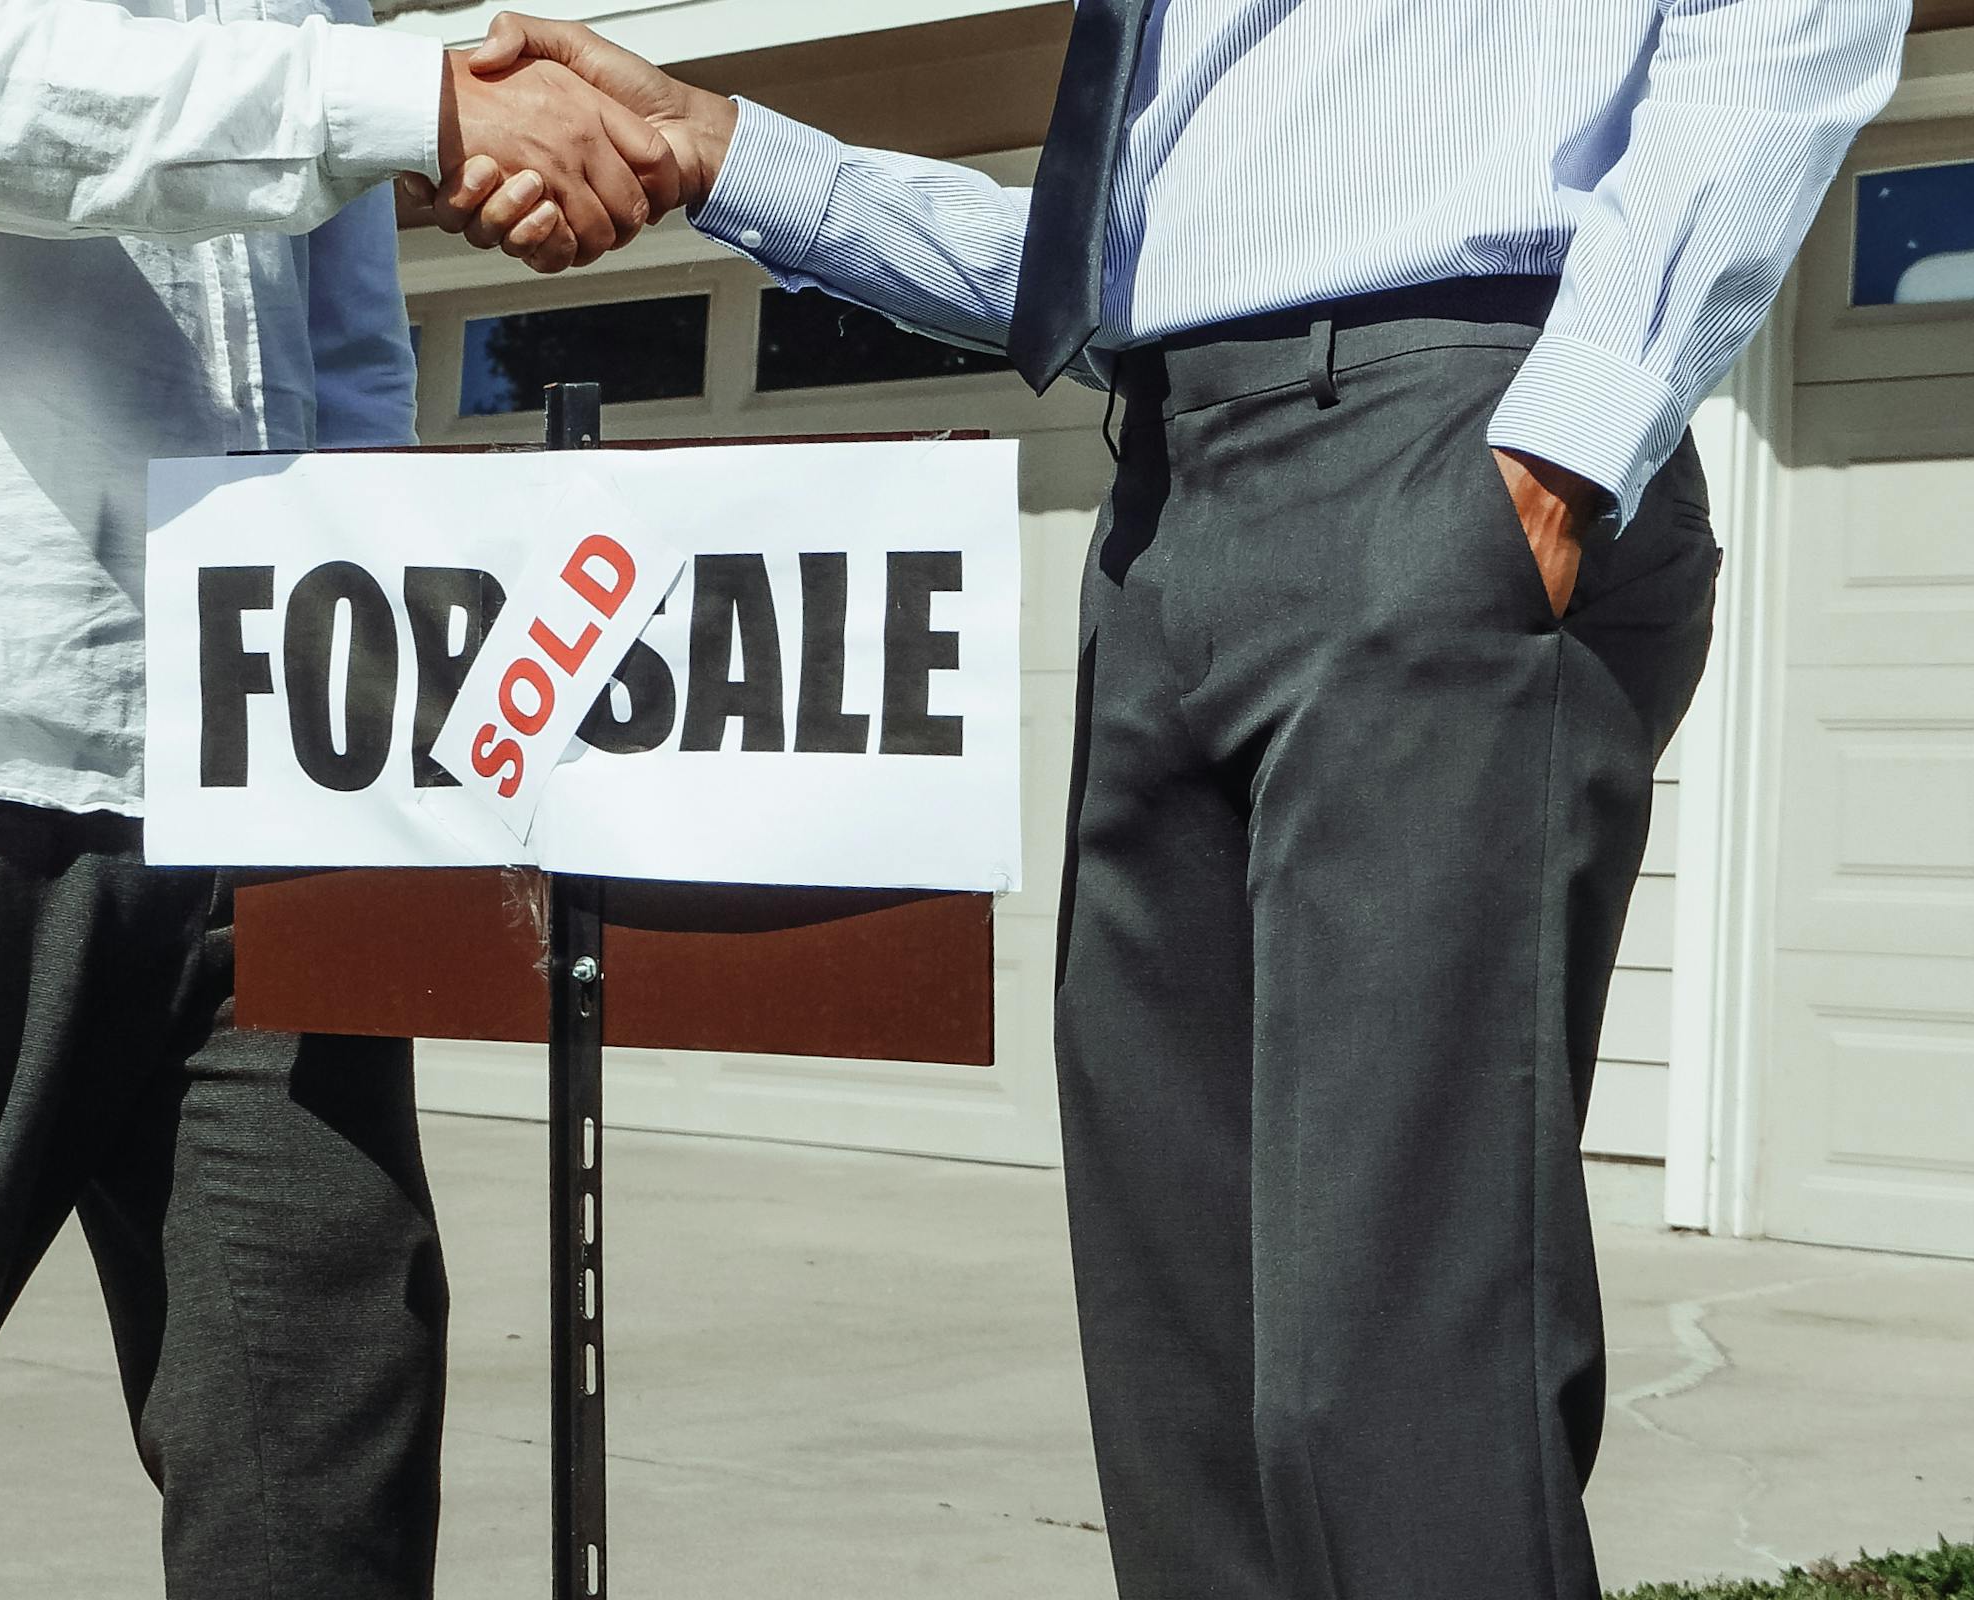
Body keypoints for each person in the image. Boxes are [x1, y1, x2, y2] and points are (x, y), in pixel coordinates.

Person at [425, 6, 1912, 1596]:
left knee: (1399, 1367)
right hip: (1166, 497)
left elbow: (1772, 39)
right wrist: (719, 152)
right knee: (1178, 1371)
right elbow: (1104, 266)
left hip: (1452, 455)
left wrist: (1565, 446)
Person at [0, 1, 675, 1594]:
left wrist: (366, 663)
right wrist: (417, 102)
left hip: (259, 757)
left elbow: (342, 327)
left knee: (327, 1457)